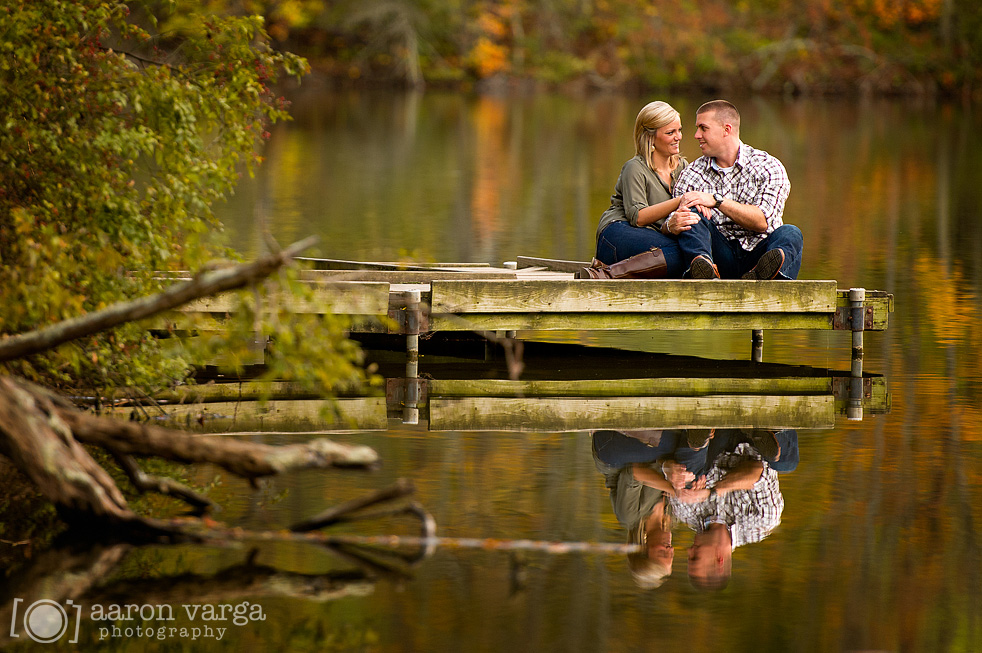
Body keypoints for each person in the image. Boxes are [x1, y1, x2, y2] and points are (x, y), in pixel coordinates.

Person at [669, 99, 803, 280]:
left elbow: (762, 221)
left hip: (759, 252)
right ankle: (703, 273)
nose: (696, 135)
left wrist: (717, 201)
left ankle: (764, 277)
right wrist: (671, 224)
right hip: (717, 258)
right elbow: (677, 220)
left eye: (703, 128)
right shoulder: (692, 174)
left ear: (727, 129)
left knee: (791, 232)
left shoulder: (768, 166)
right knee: (691, 212)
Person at [593, 101, 696, 277]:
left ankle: (607, 271)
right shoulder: (634, 168)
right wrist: (680, 200)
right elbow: (638, 218)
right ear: (650, 137)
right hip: (617, 232)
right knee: (678, 253)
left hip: (656, 239)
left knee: (689, 252)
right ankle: (603, 274)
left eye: (679, 130)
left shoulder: (683, 167)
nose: (678, 137)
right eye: (670, 132)